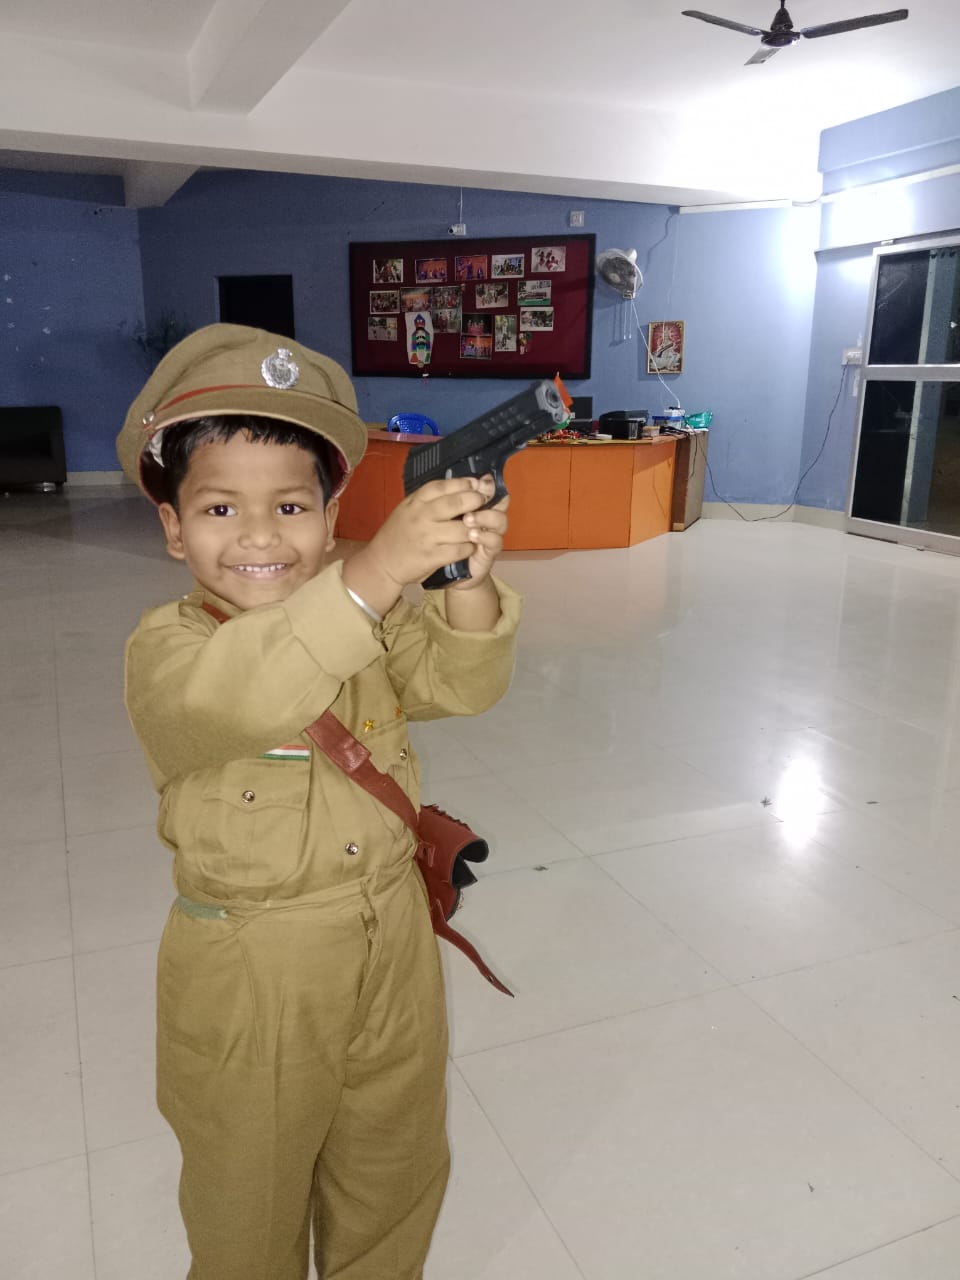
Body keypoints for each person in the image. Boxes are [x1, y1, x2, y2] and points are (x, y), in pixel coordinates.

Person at [115, 323, 520, 1280]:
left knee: (396, 1170)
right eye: (219, 508)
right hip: (257, 966)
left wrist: (464, 578)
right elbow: (246, 691)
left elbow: (460, 685)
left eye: (291, 505)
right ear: (173, 526)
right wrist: (379, 570)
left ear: (330, 514)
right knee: (246, 1198)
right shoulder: (166, 652)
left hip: (392, 939)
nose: (260, 535)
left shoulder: (356, 608)